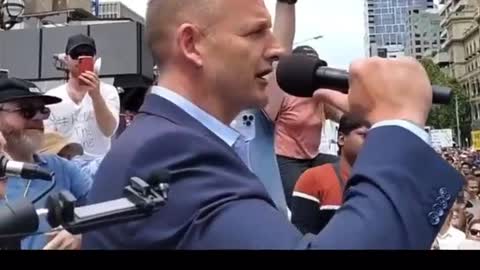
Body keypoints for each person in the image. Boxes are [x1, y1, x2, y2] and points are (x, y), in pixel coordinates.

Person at [83, 0, 463, 249]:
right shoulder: (168, 152)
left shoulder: (170, 140)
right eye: (254, 32)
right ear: (192, 45)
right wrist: (398, 124)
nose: (278, 49)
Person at [260, 2, 343, 208]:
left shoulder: (320, 95)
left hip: (314, 156)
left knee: (346, 171)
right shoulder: (281, 95)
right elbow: (279, 54)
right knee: (300, 204)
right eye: (303, 70)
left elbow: (344, 115)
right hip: (288, 159)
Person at [0, 78, 92, 250]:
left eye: (42, 111)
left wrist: (81, 231)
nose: (37, 119)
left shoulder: (62, 168)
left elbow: (104, 207)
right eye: (26, 111)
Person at [291, 114, 370, 234]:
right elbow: (301, 237)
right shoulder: (313, 179)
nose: (371, 141)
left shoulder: (379, 183)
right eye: (364, 135)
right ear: (341, 139)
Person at [44, 34, 120, 159]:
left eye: (87, 54)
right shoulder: (52, 97)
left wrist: (96, 96)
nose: (80, 58)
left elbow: (109, 130)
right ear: (66, 58)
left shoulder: (108, 92)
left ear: (94, 59)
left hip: (97, 164)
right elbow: (47, 140)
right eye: (76, 54)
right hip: (65, 164)